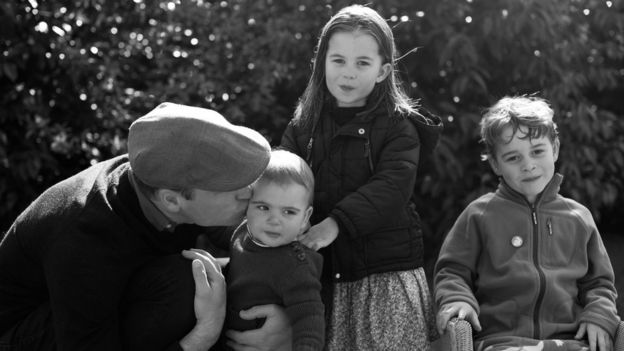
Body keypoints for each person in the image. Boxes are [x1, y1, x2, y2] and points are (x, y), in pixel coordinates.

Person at [0, 102, 292, 351]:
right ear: (173, 200)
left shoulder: (163, 175)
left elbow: (263, 250)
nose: (250, 192)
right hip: (31, 335)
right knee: (187, 283)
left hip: (102, 306)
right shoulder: (85, 238)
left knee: (225, 274)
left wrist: (284, 319)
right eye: (234, 187)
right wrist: (203, 335)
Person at [280, 5, 443, 350]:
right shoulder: (302, 127)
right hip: (320, 278)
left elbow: (391, 187)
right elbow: (282, 186)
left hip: (384, 278)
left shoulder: (399, 127)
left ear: (384, 71)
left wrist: (334, 224)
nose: (348, 73)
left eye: (362, 63)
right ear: (321, 62)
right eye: (338, 60)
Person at [434, 96, 620, 351]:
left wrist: (599, 316)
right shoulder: (479, 214)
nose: (528, 165)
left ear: (554, 149)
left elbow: (598, 283)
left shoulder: (578, 217)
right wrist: (458, 299)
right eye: (513, 158)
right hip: (501, 340)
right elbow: (452, 271)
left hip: (570, 338)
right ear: (496, 164)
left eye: (537, 151)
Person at [225, 149, 324, 351]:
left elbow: (310, 317)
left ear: (305, 218)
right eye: (263, 207)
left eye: (288, 212)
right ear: (248, 206)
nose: (274, 220)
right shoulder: (242, 234)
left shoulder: (295, 265)